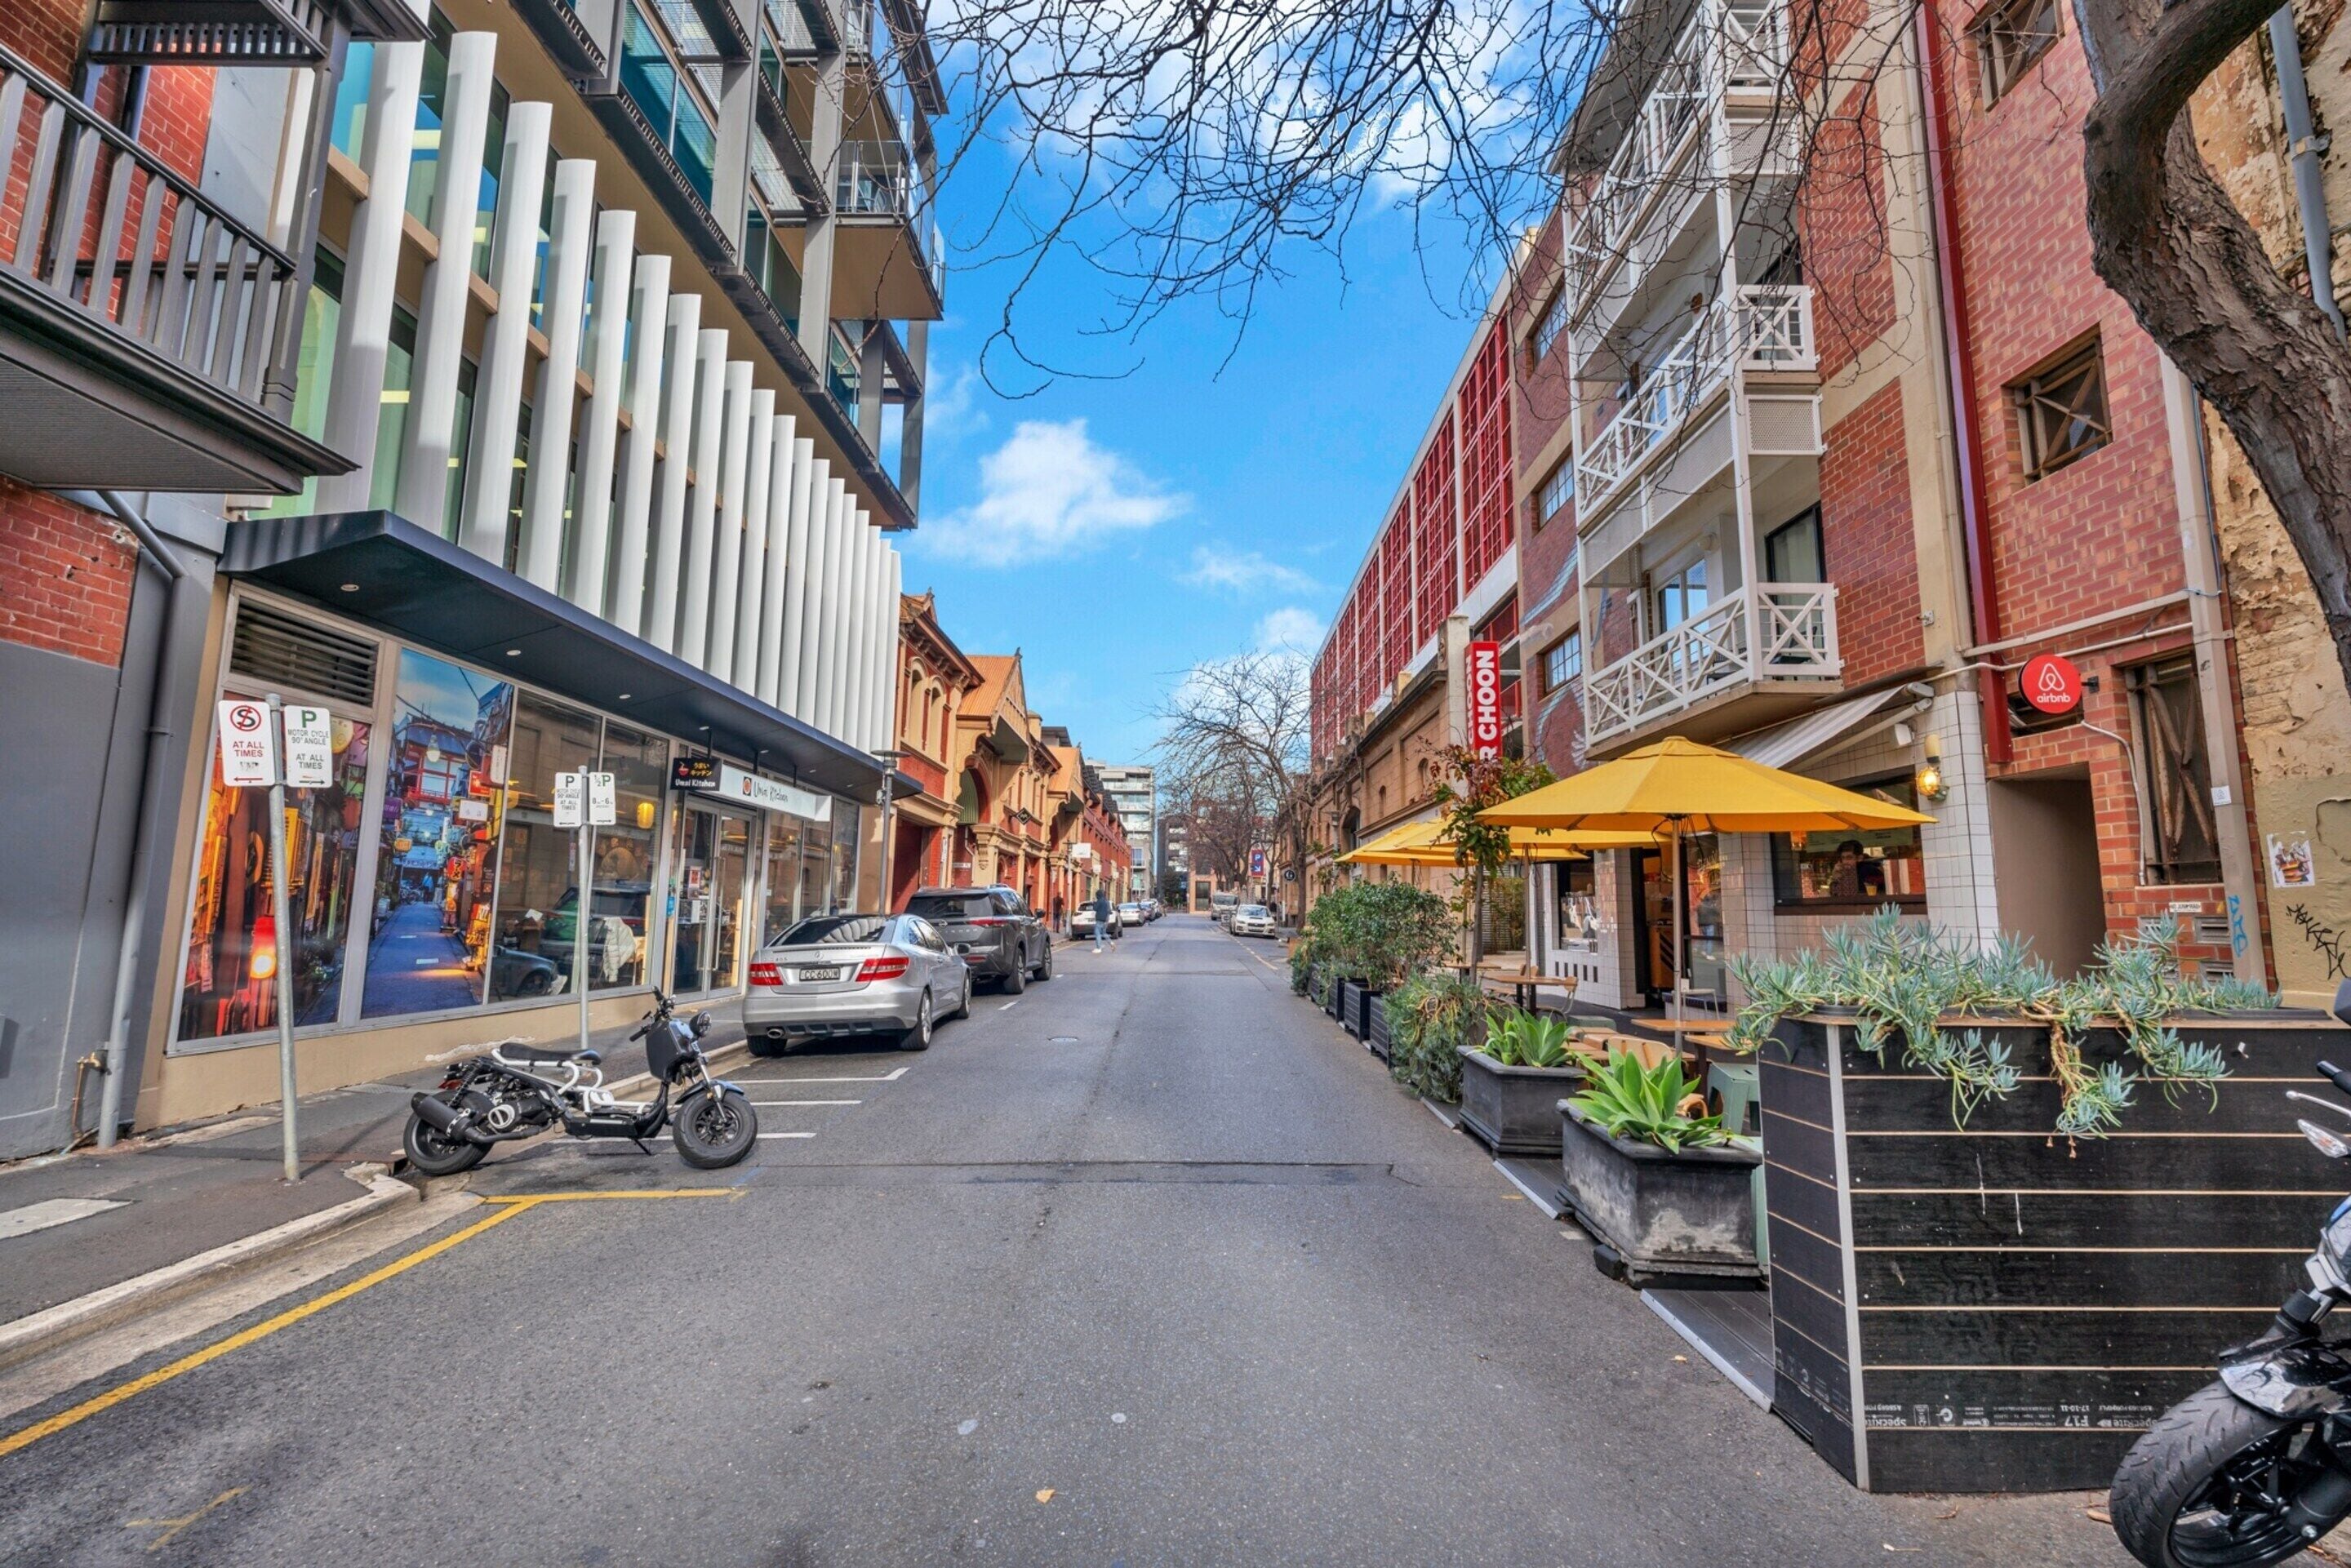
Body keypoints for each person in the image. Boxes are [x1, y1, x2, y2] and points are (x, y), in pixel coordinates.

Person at [1091, 887, 1113, 953]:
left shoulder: (1100, 901)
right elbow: (1109, 910)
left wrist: (1094, 903)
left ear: (1098, 895)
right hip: (1104, 919)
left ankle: (1098, 948)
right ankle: (1111, 943)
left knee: (1097, 933)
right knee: (1103, 932)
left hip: (1099, 919)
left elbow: (1095, 908)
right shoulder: (1106, 901)